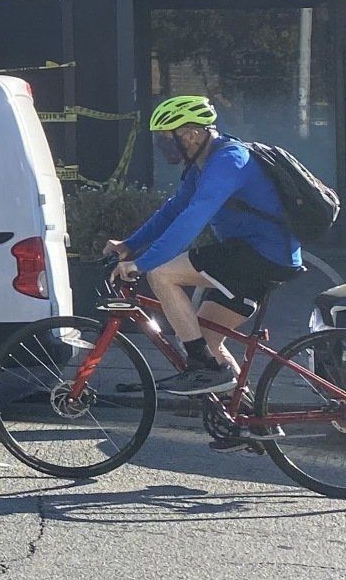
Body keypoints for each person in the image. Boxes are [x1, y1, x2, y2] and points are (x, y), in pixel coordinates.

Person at [105, 95, 302, 398]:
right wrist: (129, 245)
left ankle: (201, 368)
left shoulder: (228, 160)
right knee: (207, 340)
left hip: (261, 254)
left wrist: (143, 263)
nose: (162, 146)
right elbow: (172, 211)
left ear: (192, 134)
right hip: (253, 257)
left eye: (166, 139)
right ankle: (248, 419)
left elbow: (193, 218)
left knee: (161, 275)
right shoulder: (202, 164)